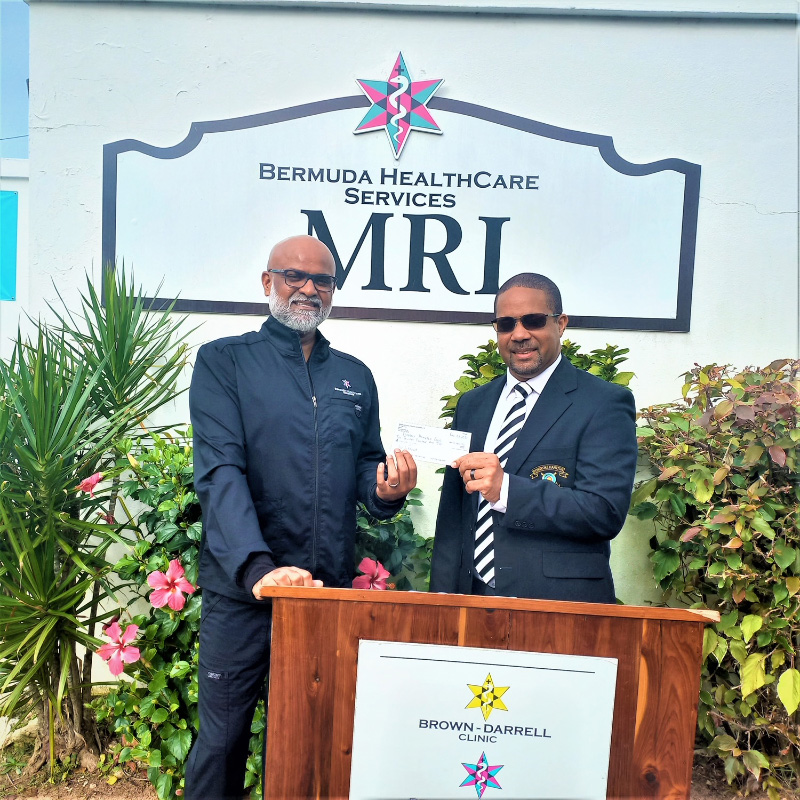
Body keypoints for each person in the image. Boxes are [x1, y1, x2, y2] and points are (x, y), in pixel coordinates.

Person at [184, 235, 416, 800]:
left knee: (308, 740)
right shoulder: (224, 362)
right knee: (221, 742)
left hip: (320, 594)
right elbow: (220, 472)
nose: (309, 289)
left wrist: (386, 491)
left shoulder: (355, 376)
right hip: (242, 593)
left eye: (323, 280)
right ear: (268, 282)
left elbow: (364, 469)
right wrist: (258, 569)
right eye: (295, 276)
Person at [430, 272, 637, 603]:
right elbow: (454, 516)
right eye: (506, 324)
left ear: (561, 323)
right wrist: (441, 600)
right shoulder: (473, 404)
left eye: (534, 321)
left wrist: (507, 490)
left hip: (557, 606)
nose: (519, 334)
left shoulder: (604, 403)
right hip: (471, 600)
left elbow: (604, 511)